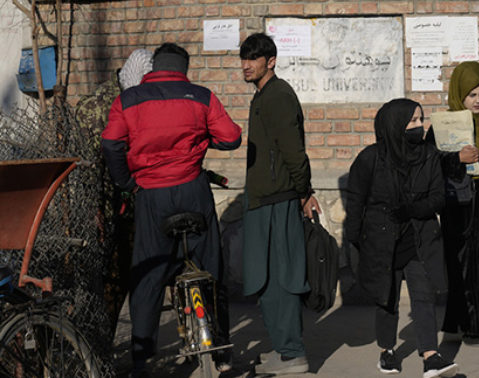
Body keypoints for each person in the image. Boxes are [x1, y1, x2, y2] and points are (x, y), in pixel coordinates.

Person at [101, 43, 241, 376]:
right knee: (212, 269)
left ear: (153, 68)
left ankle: (141, 359)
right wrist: (204, 139)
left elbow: (110, 144)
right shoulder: (201, 96)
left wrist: (127, 183)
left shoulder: (128, 100)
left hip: (151, 195)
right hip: (194, 190)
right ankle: (221, 351)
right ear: (183, 68)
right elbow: (232, 138)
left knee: (148, 276)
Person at [345, 98, 458, 378]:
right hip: (382, 240)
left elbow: (437, 198)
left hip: (418, 237)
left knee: (423, 295)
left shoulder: (429, 155)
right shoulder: (370, 159)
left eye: (421, 119)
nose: (420, 126)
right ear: (396, 124)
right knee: (387, 297)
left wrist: (412, 209)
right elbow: (356, 201)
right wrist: (357, 239)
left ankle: (431, 356)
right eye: (413, 121)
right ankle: (387, 351)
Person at [239, 32, 320, 376]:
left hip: (279, 199)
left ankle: (292, 353)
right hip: (263, 199)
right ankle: (284, 350)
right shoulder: (262, 95)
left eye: (253, 59)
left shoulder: (278, 96)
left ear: (270, 61)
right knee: (266, 280)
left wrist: (304, 193)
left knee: (282, 279)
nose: (246, 65)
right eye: (243, 59)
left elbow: (293, 153)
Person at [75, 48, 153, 340]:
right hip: (106, 212)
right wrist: (94, 212)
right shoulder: (94, 107)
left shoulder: (144, 99)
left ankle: (140, 350)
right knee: (110, 284)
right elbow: (87, 169)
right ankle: (100, 349)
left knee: (143, 280)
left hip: (138, 205)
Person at [434, 61, 479, 346]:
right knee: (458, 262)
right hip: (456, 202)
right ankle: (459, 323)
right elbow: (429, 164)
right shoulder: (442, 126)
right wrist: (455, 159)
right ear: (459, 94)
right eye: (471, 94)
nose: (477, 100)